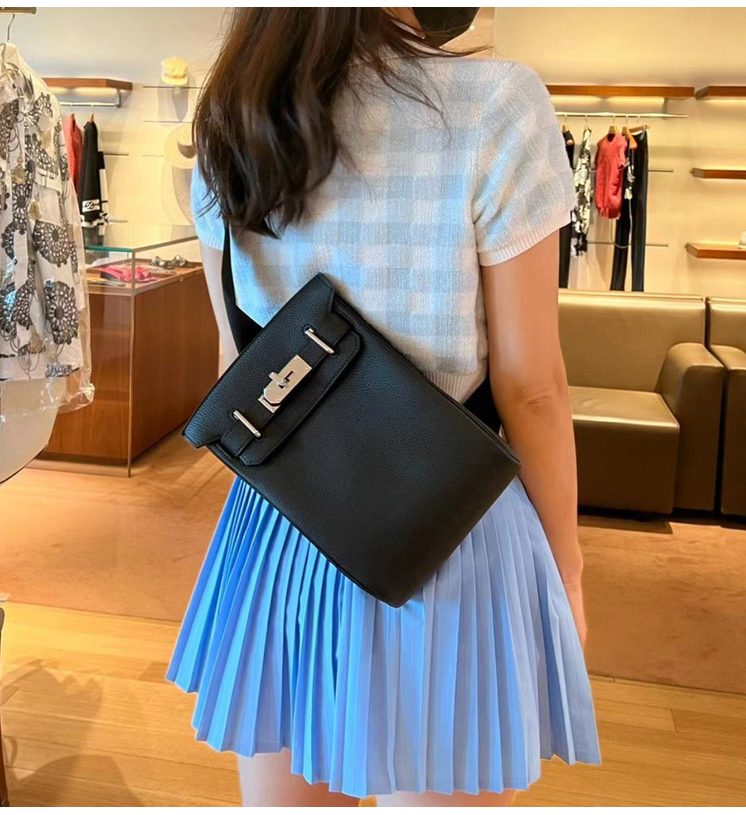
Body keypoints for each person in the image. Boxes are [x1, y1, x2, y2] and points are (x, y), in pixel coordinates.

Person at [168, 7, 600, 807]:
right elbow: (532, 386)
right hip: (450, 526)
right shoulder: (495, 103)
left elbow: (239, 362)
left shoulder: (230, 119)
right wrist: (566, 568)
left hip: (285, 523)